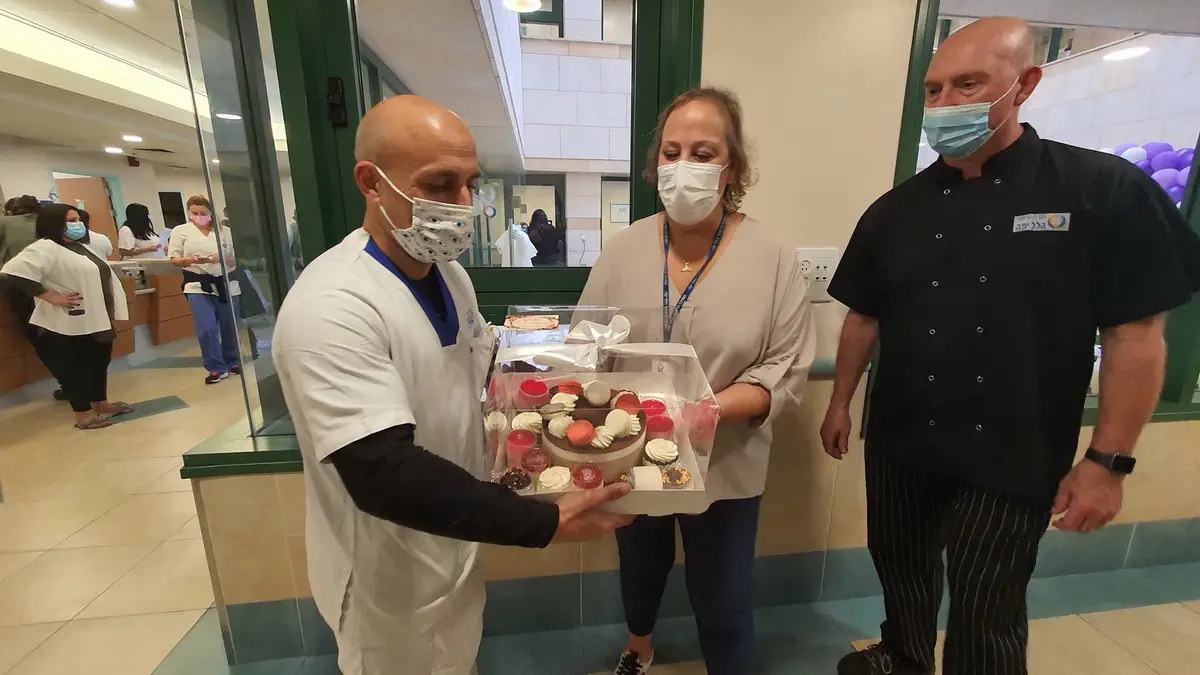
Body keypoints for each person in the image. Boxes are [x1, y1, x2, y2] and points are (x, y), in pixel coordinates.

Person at [821, 18, 1200, 675]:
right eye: (935, 90)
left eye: (968, 85)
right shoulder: (895, 211)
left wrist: (1107, 463)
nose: (946, 104)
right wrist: (840, 401)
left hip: (1013, 450)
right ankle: (904, 655)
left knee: (985, 605)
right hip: (902, 438)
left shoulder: (1099, 190)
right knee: (900, 565)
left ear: (1025, 85)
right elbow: (863, 316)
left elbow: (1136, 335)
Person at [271, 95, 635, 675]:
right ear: (371, 182)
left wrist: (569, 390)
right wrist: (544, 522)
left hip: (456, 543)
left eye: (471, 184)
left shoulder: (451, 277)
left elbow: (477, 372)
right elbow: (382, 472)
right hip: (387, 577)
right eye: (440, 184)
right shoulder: (332, 306)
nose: (464, 205)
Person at [579, 87, 817, 675]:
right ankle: (639, 645)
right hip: (633, 449)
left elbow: (783, 366)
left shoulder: (773, 256)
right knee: (640, 564)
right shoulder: (623, 250)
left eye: (703, 153)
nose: (682, 165)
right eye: (672, 151)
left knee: (724, 594)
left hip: (725, 458)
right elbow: (587, 345)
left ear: (730, 167)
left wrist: (706, 411)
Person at [0, 204, 134, 429]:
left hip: (97, 315)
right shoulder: (45, 247)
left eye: (78, 219)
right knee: (76, 368)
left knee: (99, 361)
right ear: (54, 223)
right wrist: (48, 296)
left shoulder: (80, 246)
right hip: (69, 320)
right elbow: (13, 271)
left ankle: (100, 403)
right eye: (71, 220)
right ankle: (82, 413)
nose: (77, 224)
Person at [0, 195, 70, 401]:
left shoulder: (5, 223)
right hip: (60, 284)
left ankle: (69, 384)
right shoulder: (50, 223)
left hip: (25, 286)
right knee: (65, 334)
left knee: (40, 336)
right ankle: (80, 382)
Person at [168, 195, 241, 384]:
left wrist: (220, 259)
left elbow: (236, 258)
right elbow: (174, 259)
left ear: (211, 213)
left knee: (229, 325)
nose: (199, 216)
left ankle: (232, 360)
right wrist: (191, 260)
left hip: (225, 283)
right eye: (194, 213)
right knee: (207, 327)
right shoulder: (181, 231)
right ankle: (216, 367)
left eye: (203, 213)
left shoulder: (225, 232)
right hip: (197, 284)